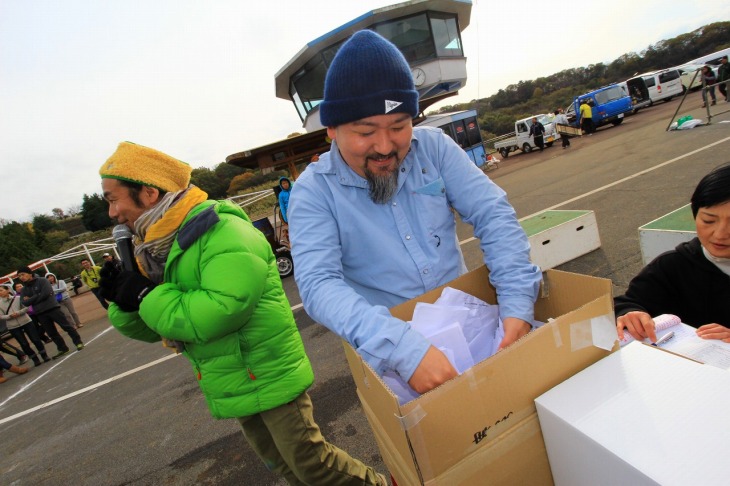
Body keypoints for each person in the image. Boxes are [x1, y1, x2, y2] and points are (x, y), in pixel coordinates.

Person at [96, 141, 387, 486]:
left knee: (312, 463)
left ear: (147, 192)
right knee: (284, 467)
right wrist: (122, 302)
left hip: (265, 370)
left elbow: (221, 310)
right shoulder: (156, 247)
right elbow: (155, 325)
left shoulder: (220, 231)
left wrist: (144, 294)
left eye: (113, 199)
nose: (112, 213)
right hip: (230, 377)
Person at [289, 30, 541, 396]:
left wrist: (518, 303)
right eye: (365, 132)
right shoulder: (313, 192)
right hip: (393, 359)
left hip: (469, 324)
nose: (385, 146)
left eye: (399, 126)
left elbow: (492, 213)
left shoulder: (434, 148)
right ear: (331, 129)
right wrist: (405, 349)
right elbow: (318, 285)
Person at [615, 162, 730, 344]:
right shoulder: (672, 266)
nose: (720, 234)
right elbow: (626, 303)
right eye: (708, 221)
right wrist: (628, 313)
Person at [16, 266, 84, 358]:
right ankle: (63, 348)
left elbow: (46, 293)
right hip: (40, 313)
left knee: (66, 326)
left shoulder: (42, 281)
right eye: (19, 276)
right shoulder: (24, 289)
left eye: (23, 274)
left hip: (52, 308)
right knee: (51, 332)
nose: (21, 277)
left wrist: (32, 298)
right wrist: (37, 295)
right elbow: (24, 302)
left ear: (29, 273)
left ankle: (78, 342)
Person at [0, 284, 51, 366]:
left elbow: (26, 307)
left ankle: (44, 355)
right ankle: (34, 358)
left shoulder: (17, 298)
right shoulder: (0, 304)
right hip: (12, 326)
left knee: (35, 339)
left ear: (8, 290)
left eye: (1, 290)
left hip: (26, 321)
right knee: (23, 343)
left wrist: (19, 313)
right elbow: (1, 316)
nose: (0, 293)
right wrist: (9, 316)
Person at [277, 177, 292, 244]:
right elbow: (282, 207)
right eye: (283, 183)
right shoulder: (281, 195)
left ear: (288, 183)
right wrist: (285, 217)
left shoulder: (294, 189)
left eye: (286, 182)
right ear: (281, 185)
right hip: (289, 212)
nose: (285, 184)